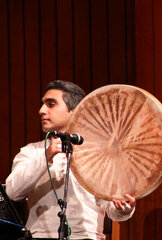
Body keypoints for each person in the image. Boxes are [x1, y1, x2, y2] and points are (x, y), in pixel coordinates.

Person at [6, 80, 136, 240]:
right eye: (42, 104)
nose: (41, 110)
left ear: (74, 112)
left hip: (86, 236)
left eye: (51, 104)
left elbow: (113, 210)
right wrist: (46, 156)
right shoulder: (32, 152)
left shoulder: (98, 154)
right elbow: (13, 192)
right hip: (40, 236)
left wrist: (124, 207)